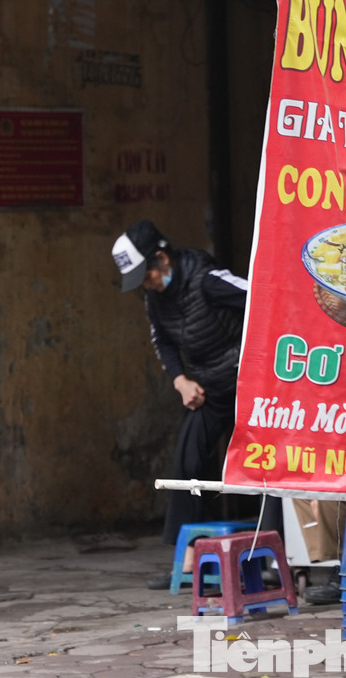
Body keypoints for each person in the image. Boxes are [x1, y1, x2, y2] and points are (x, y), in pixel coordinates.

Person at [112, 219, 254, 589]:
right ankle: (188, 556)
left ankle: (272, 551)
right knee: (187, 462)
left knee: (263, 460)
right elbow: (163, 342)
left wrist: (259, 367)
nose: (147, 286)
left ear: (162, 258)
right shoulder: (155, 300)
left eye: (147, 276)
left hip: (248, 381)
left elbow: (261, 299)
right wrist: (181, 381)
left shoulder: (207, 279)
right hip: (209, 386)